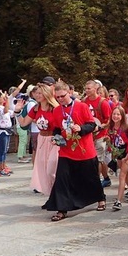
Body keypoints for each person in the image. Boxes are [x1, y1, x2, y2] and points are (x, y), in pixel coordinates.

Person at [42, 82, 106, 221]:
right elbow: (57, 128)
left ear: (69, 93)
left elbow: (92, 124)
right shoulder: (57, 110)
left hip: (84, 150)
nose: (60, 99)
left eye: (62, 96)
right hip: (66, 151)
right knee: (62, 179)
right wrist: (56, 138)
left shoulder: (81, 106)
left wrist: (80, 129)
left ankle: (100, 198)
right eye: (57, 97)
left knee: (91, 177)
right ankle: (62, 209)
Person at [17, 83, 60, 197]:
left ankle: (58, 192)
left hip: (54, 141)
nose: (37, 95)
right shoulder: (36, 109)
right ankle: (51, 195)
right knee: (43, 170)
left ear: (46, 93)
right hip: (42, 140)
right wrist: (17, 112)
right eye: (36, 93)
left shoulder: (55, 108)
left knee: (52, 168)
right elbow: (24, 123)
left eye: (40, 92)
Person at [83, 80, 113, 189]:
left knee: (98, 159)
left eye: (89, 89)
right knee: (93, 159)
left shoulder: (103, 102)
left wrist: (100, 126)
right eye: (85, 89)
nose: (86, 91)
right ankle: (105, 178)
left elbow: (109, 120)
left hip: (101, 135)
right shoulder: (84, 102)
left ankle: (96, 181)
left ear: (95, 89)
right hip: (88, 135)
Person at [107, 105, 128, 211]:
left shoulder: (126, 128)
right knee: (126, 176)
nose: (115, 116)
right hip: (118, 152)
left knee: (122, 176)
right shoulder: (111, 127)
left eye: (118, 114)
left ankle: (118, 200)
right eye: (114, 114)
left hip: (127, 153)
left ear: (122, 116)